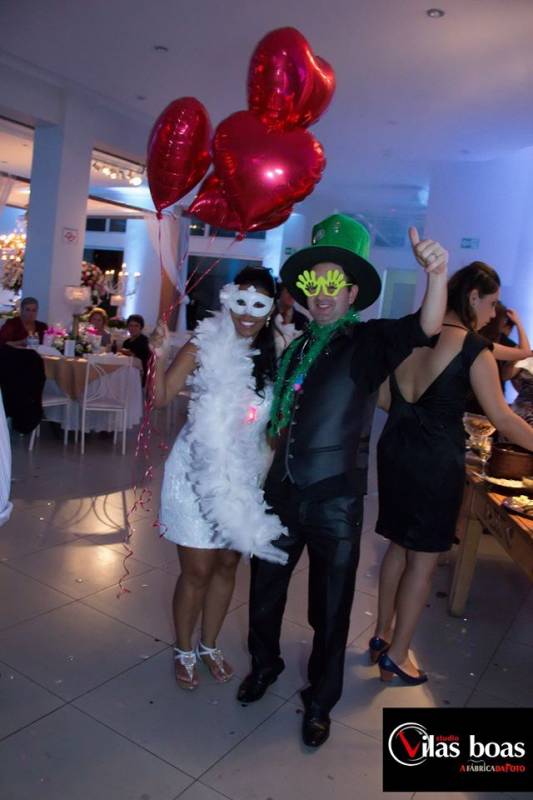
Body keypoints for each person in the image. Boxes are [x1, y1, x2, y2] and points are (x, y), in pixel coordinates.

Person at [237, 214, 448, 748]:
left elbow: (424, 327)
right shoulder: (296, 346)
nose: (323, 293)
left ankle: (320, 701)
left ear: (353, 292)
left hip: (334, 501)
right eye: (314, 283)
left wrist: (437, 275)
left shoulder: (369, 341)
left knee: (330, 608)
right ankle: (265, 664)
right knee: (263, 592)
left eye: (335, 283)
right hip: (281, 492)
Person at [372, 262, 533, 686]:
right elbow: (503, 418)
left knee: (397, 547)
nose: (493, 313)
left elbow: (385, 400)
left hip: (395, 451)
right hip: (434, 462)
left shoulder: (409, 334)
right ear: (474, 297)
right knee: (423, 562)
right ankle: (398, 656)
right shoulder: (473, 347)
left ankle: (380, 636)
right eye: (492, 303)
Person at [152, 266, 286, 691]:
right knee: (197, 569)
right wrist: (157, 356)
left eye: (258, 304)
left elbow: (277, 421)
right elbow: (161, 397)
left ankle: (209, 645)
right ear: (228, 299)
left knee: (228, 564)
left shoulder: (278, 350)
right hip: (196, 471)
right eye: (240, 301)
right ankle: (183, 648)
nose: (247, 313)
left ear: (271, 309)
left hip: (247, 474)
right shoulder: (203, 342)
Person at [273, 282, 309, 357]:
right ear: (280, 293)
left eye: (294, 293)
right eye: (288, 292)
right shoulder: (270, 315)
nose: (292, 296)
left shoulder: (302, 319)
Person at [120, 314, 152, 385]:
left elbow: (142, 359)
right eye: (131, 325)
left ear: (141, 327)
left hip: (139, 376)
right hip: (126, 373)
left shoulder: (145, 341)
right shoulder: (126, 342)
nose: (133, 328)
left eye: (136, 326)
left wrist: (126, 352)